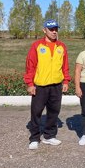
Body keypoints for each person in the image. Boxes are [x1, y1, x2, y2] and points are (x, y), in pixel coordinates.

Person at [24, 19, 71, 150]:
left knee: (54, 112)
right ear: (44, 30)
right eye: (51, 29)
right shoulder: (37, 46)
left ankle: (49, 136)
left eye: (56, 29)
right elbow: (30, 66)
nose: (54, 31)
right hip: (40, 86)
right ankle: (34, 138)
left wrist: (66, 80)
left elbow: (65, 65)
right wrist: (30, 83)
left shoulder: (61, 46)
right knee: (36, 112)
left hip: (56, 85)